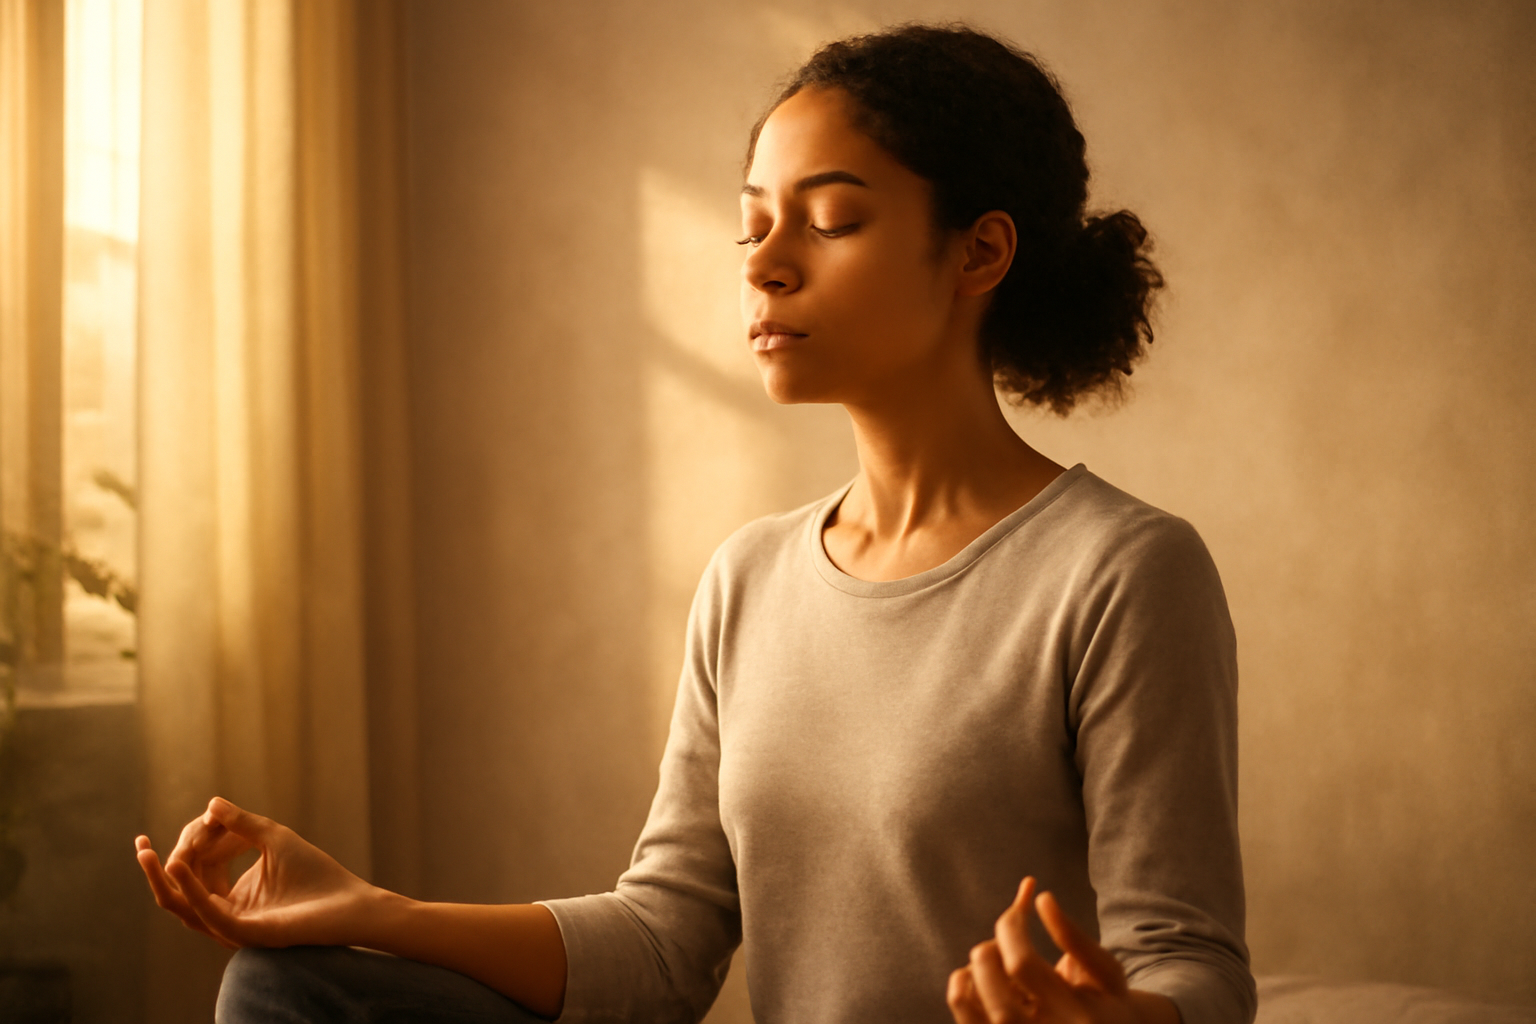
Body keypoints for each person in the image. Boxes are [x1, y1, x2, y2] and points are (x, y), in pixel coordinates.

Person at [135, 23, 1256, 1024]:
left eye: (830, 221)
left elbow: (1192, 959)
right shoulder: (750, 577)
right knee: (287, 985)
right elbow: (668, 941)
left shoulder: (1122, 569)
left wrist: (1125, 1019)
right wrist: (374, 907)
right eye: (752, 228)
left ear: (979, 253)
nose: (766, 265)